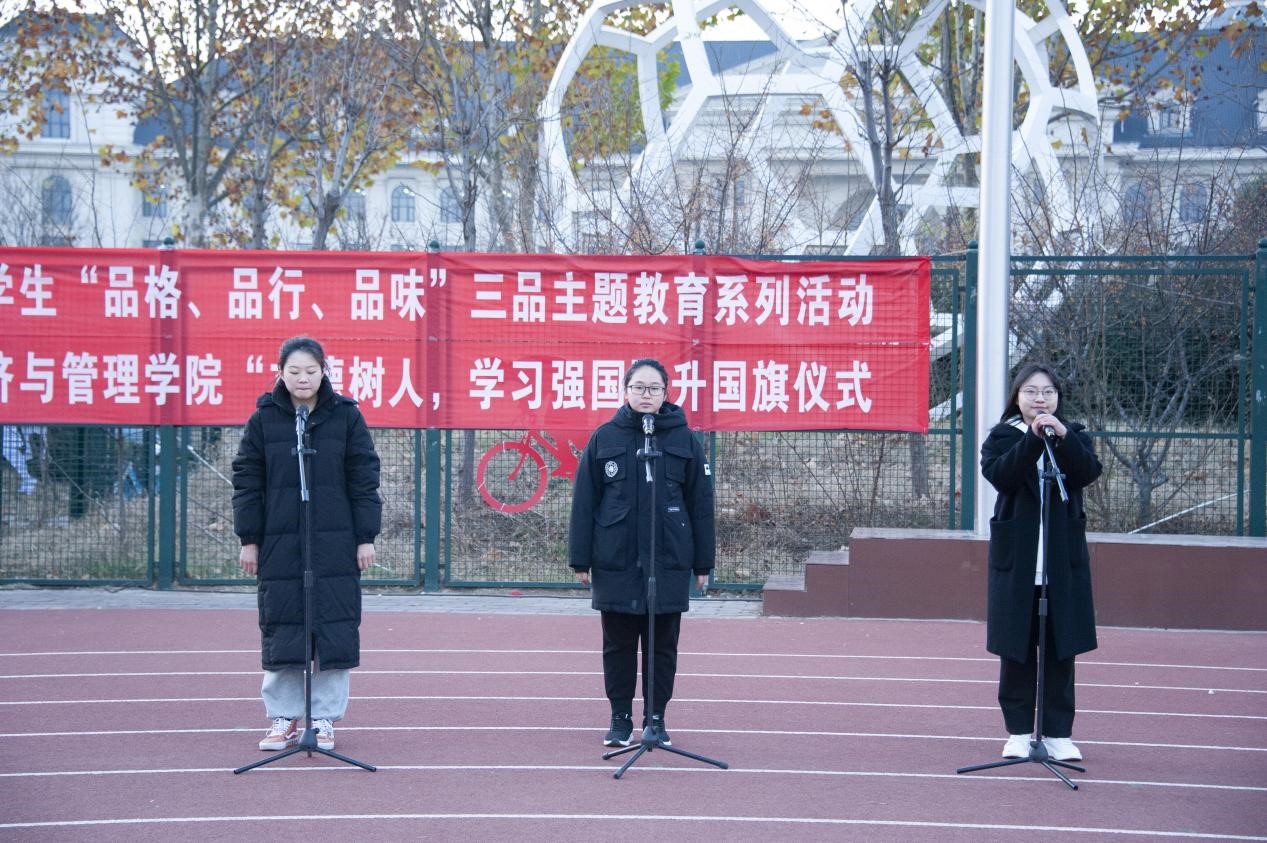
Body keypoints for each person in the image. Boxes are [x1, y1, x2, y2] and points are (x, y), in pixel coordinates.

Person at [232, 336, 382, 752]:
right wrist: (249, 539)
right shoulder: (264, 419)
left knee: (333, 625)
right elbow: (246, 482)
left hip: (336, 541)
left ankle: (325, 718)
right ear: (280, 373)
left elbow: (365, 479)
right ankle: (283, 717)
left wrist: (365, 537)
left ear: (324, 372)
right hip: (280, 542)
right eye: (294, 371)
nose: (303, 378)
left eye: (311, 371)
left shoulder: (346, 417)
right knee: (283, 624)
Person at [569, 358, 715, 748]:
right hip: (616, 559)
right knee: (617, 645)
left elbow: (701, 504)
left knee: (662, 646)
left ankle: (656, 719)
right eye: (638, 387)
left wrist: (703, 562)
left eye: (654, 388)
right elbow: (585, 501)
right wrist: (580, 558)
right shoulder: (605, 437)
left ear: (666, 393)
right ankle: (620, 719)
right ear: (625, 391)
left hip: (667, 561)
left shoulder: (685, 440)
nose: (646, 394)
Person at [980, 363, 1102, 762]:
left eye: (1048, 392)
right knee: (1016, 650)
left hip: (1060, 564)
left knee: (1060, 650)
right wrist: (1032, 440)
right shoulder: (1002, 437)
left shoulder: (1072, 435)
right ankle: (1018, 732)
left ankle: (1057, 734)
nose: (1040, 399)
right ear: (1017, 397)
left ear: (1058, 398)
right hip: (1018, 563)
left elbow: (1088, 472)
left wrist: (1062, 438)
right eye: (1031, 391)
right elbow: (1002, 477)